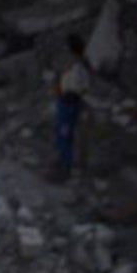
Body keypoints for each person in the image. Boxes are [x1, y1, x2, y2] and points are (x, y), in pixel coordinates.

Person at [52, 33, 91, 179]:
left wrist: (60, 94)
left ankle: (65, 168)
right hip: (70, 103)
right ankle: (63, 162)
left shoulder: (77, 69)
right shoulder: (78, 66)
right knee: (63, 135)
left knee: (64, 136)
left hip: (68, 104)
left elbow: (72, 90)